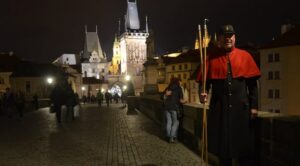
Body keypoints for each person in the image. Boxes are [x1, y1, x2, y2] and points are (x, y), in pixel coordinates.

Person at [197, 25, 261, 166]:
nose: (228, 39)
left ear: (234, 37)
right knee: (223, 152)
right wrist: (203, 94)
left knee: (243, 152)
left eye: (230, 35)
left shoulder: (245, 56)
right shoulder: (211, 58)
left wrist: (254, 107)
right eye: (225, 36)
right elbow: (204, 83)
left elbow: (252, 86)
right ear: (219, 39)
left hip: (241, 112)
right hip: (220, 111)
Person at [163, 77, 186, 143]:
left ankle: (168, 136)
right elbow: (181, 100)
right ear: (178, 82)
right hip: (174, 108)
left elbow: (162, 97)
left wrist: (165, 94)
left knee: (169, 122)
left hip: (167, 108)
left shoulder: (168, 88)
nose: (181, 83)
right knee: (176, 123)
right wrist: (185, 101)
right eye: (180, 81)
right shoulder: (179, 88)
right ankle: (171, 137)